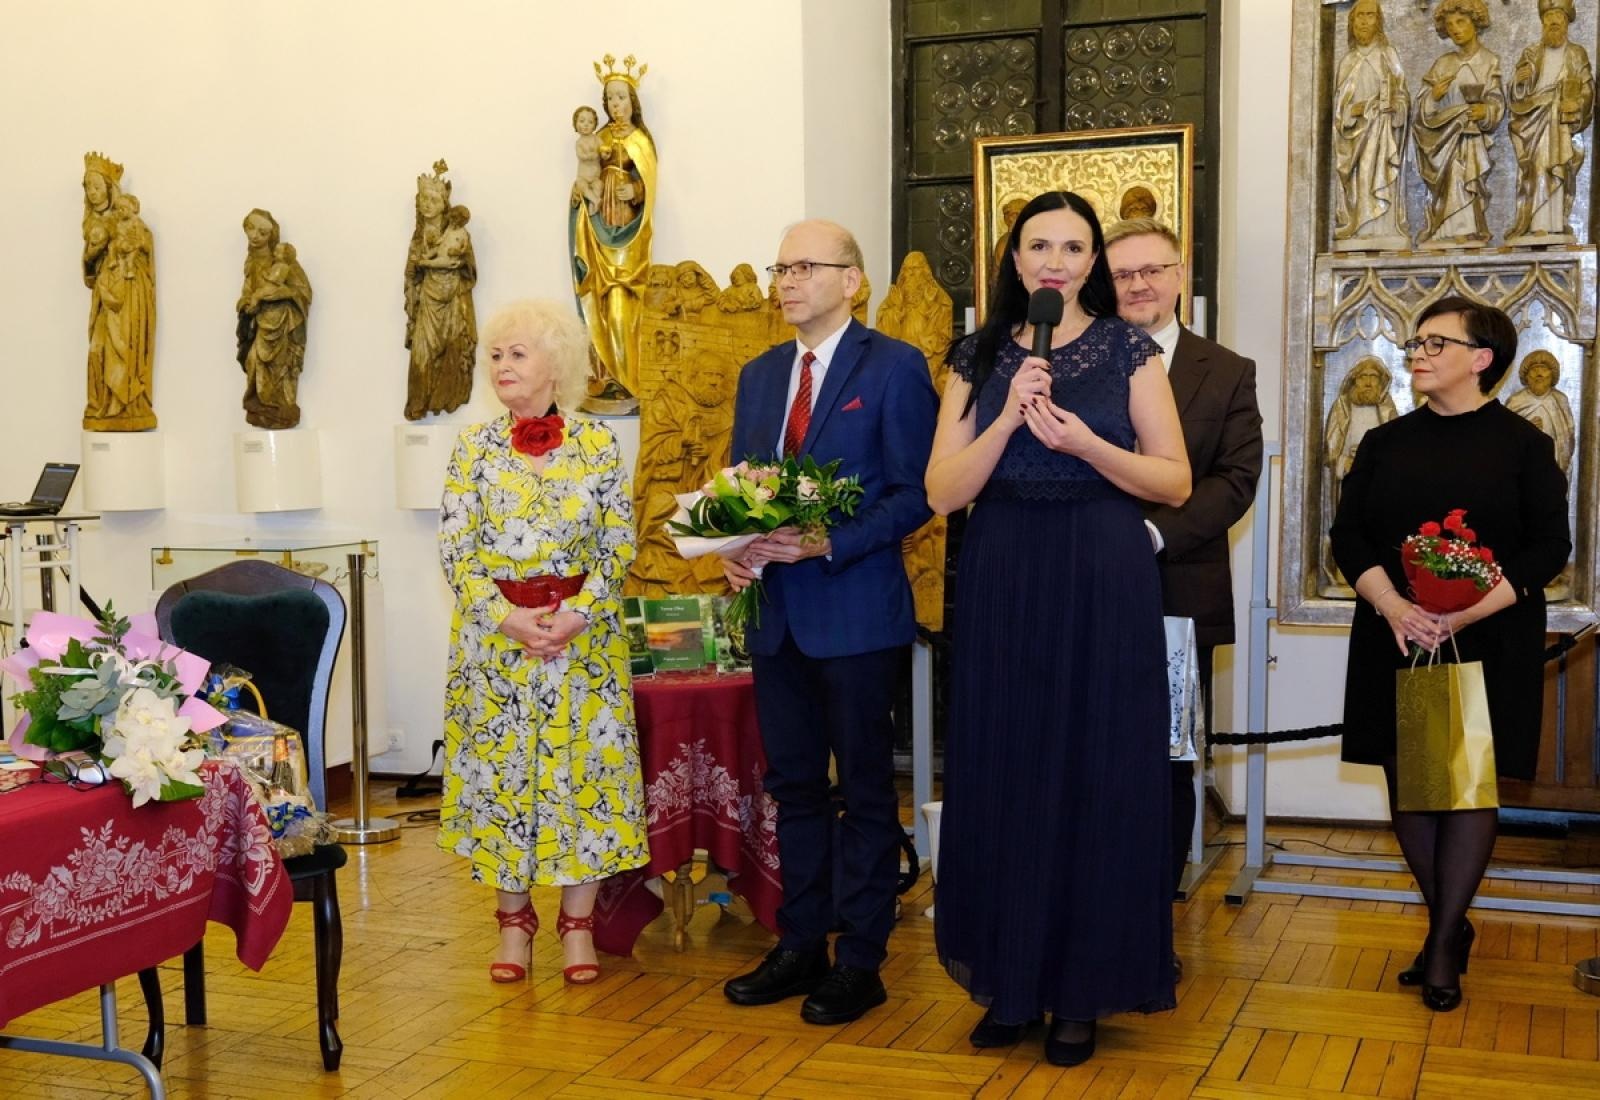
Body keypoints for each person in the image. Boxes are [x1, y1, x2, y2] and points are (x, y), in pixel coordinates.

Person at [927, 192, 1190, 1067]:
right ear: (1014, 256)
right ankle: (1009, 979)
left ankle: (1081, 992)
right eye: (1040, 243)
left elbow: (1176, 481)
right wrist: (1006, 418)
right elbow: (942, 493)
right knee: (1006, 765)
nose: (1056, 260)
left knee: (1094, 772)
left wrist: (1087, 447)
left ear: (1093, 263)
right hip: (1006, 570)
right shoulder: (977, 354)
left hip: (1101, 570)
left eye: (1074, 247)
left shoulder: (1128, 348)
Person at [719, 220, 938, 1026]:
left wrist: (828, 542)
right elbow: (739, 486)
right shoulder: (759, 374)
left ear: (852, 281)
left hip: (856, 614)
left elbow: (918, 494)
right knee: (796, 788)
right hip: (774, 617)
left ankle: (865, 959)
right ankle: (800, 940)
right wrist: (730, 550)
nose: (785, 280)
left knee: (869, 793)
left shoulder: (895, 368)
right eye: (780, 266)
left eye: (804, 266)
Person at [1330, 296, 1570, 1013]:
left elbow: (1547, 548)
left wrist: (1465, 609)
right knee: (1414, 784)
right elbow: (1349, 538)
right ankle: (1450, 925)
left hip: (1488, 635)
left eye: (1437, 342)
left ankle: (1439, 945)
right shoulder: (1384, 444)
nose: (1418, 353)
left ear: (1481, 359)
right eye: (1416, 341)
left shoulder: (1524, 446)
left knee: (1464, 789)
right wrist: (1399, 605)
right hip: (1396, 631)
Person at [437, 299, 648, 987]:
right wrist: (506, 619)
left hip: (582, 646)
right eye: (496, 355)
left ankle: (578, 927)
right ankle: (513, 925)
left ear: (555, 364)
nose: (502, 365)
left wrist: (581, 613)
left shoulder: (598, 445)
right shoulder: (472, 448)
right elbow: (456, 549)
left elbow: (619, 543)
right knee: (504, 782)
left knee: (580, 783)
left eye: (518, 354)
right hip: (498, 650)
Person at [1103, 216, 1263, 921]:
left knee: (1167, 757)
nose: (1138, 284)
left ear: (1178, 277)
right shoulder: (1081, 359)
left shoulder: (1225, 371)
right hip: (1083, 589)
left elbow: (1236, 480)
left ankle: (1154, 904)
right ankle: (1092, 888)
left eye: (1151, 270)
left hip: (1178, 590)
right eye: (1122, 274)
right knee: (1086, 749)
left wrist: (1154, 536)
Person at [570, 58, 656, 407]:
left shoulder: (640, 141)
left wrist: (635, 191)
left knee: (622, 304)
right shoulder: (597, 137)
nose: (615, 105)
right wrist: (578, 195)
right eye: (610, 99)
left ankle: (629, 380)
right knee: (600, 304)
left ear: (633, 102)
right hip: (598, 228)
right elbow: (585, 173)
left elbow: (649, 184)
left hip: (628, 233)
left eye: (621, 98)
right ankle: (605, 380)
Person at [1414, 0, 1504, 246]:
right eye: (1450, 24)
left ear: (1475, 22)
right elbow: (1421, 110)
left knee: (1466, 176)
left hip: (1471, 138)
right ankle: (1445, 229)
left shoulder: (1489, 61)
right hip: (1444, 140)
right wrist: (1433, 97)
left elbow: (1496, 100)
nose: (1455, 29)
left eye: (1461, 22)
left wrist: (1485, 111)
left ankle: (1467, 228)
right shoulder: (1443, 64)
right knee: (1451, 175)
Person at [81, 151, 157, 431]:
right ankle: (101, 405)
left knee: (123, 347)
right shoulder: (92, 225)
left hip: (126, 296)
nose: (93, 193)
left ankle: (125, 405)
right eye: (88, 187)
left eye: (98, 186)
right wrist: (93, 252)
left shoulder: (128, 222)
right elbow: (88, 267)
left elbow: (144, 249)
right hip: (104, 294)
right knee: (97, 348)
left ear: (111, 190)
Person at [1507, 0, 1594, 241]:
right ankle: (1536, 222)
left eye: (1559, 17)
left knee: (1557, 167)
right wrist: (1520, 82)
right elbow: (1516, 92)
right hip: (1533, 121)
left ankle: (1555, 222)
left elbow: (1587, 88)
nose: (1554, 22)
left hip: (1559, 123)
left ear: (1566, 22)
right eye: (1549, 18)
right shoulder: (1531, 52)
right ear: (1543, 22)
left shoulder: (1576, 53)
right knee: (1536, 168)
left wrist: (1576, 104)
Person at [1333, 0, 1410, 248]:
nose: (1364, 21)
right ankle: (1359, 225)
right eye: (1360, 16)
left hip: (1383, 132)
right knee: (1361, 178)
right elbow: (1338, 112)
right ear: (1351, 22)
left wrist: (1396, 107)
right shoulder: (1346, 62)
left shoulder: (1388, 56)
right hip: (1357, 137)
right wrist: (1352, 112)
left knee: (1380, 174)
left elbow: (1402, 95)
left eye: (1370, 15)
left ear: (1379, 21)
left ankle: (1383, 228)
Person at [404, 161, 477, 420]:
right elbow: (411, 272)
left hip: (453, 297)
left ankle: (444, 396)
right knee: (422, 350)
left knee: (452, 346)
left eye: (433, 199)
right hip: (428, 299)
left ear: (444, 203)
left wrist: (457, 262)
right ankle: (419, 401)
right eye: (424, 198)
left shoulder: (457, 232)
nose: (427, 204)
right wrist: (413, 273)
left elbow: (466, 264)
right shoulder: (419, 235)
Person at [237, 209, 313, 431]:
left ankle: (279, 407)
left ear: (272, 235)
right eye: (250, 229)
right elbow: (247, 292)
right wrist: (246, 304)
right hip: (260, 325)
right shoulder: (251, 264)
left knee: (278, 367)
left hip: (281, 326)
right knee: (253, 361)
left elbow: (303, 292)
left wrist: (278, 295)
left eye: (262, 231)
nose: (255, 236)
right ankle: (260, 406)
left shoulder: (284, 261)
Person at [1505, 349, 1576, 475]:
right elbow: (1504, 436)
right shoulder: (1516, 401)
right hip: (1523, 465)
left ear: (1552, 374)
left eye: (1544, 369)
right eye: (1534, 370)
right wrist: (1527, 428)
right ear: (1526, 376)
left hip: (1553, 464)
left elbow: (1568, 435)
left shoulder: (1560, 400)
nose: (1539, 374)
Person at [571, 105, 603, 214]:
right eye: (582, 121)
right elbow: (581, 156)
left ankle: (593, 209)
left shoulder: (597, 139)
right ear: (575, 123)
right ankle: (595, 200)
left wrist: (605, 154)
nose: (586, 124)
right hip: (583, 177)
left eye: (590, 122)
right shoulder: (579, 142)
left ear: (595, 125)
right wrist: (592, 155)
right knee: (581, 186)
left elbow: (603, 151)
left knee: (599, 186)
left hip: (595, 176)